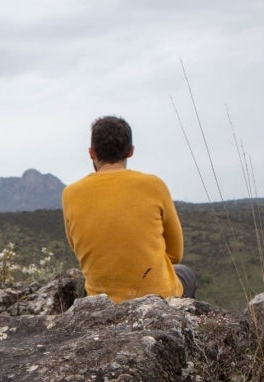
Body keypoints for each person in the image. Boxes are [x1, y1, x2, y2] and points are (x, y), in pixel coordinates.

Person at [61, 115, 196, 303]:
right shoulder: (154, 185)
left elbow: (79, 249)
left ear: (91, 153)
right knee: (185, 273)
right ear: (131, 151)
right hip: (158, 298)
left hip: (101, 301)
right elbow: (175, 254)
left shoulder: (70, 194)